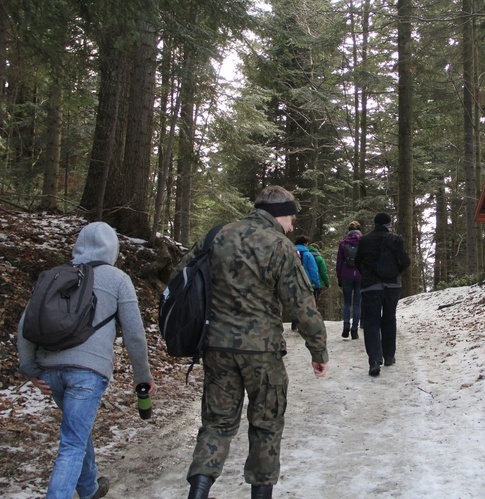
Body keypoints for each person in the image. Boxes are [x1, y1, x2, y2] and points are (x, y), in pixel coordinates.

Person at [183, 185, 328, 499]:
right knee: (266, 425)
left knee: (216, 424)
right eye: (291, 219)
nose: (292, 226)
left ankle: (198, 492)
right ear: (281, 214)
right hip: (262, 353)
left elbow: (183, 278)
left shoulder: (215, 237)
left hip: (217, 348)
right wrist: (318, 349)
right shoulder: (280, 245)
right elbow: (302, 306)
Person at [17, 221, 156, 499]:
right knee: (72, 442)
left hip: (51, 370)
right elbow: (135, 335)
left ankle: (89, 487)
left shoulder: (56, 276)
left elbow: (25, 325)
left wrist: (30, 368)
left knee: (75, 430)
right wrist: (142, 376)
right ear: (113, 248)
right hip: (88, 373)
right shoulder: (117, 279)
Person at [354, 212, 410, 376]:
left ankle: (374, 360)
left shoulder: (364, 240)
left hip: (371, 285)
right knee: (389, 318)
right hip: (392, 285)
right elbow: (405, 261)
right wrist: (396, 272)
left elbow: (357, 261)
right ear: (389, 223)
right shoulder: (396, 239)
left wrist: (367, 274)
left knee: (371, 322)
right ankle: (389, 356)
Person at [335, 221, 363, 339]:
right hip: (360, 275)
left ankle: (346, 324)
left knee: (347, 303)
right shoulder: (363, 242)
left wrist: (339, 277)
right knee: (357, 303)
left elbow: (339, 263)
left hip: (346, 275)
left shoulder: (343, 243)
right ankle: (354, 330)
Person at [291, 235, 321, 331]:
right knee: (304, 303)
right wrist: (317, 284)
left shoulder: (290, 253)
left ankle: (294, 322)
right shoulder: (308, 254)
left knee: (294, 301)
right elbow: (313, 270)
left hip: (291, 281)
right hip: (305, 282)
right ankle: (304, 324)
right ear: (305, 243)